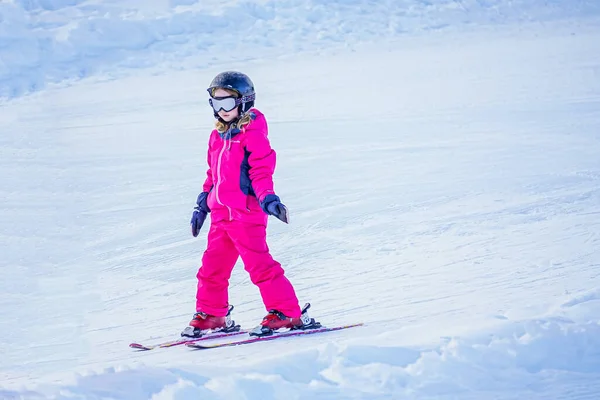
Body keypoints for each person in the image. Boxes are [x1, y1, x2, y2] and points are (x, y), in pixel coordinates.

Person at [181, 71, 320, 338]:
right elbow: (213, 175)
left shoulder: (252, 134)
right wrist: (202, 206)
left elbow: (260, 171)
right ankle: (213, 314)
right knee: (211, 268)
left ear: (244, 102)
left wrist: (269, 199)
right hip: (222, 215)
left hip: (246, 215)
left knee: (260, 267)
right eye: (216, 103)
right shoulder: (217, 136)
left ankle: (287, 312)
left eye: (228, 103)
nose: (222, 110)